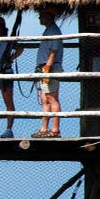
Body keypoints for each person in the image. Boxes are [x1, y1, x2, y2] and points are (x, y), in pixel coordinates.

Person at [33, 7, 64, 138]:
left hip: (49, 67)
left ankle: (55, 129)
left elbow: (53, 51)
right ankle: (44, 129)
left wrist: (47, 68)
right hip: (45, 67)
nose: (39, 18)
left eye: (42, 16)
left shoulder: (53, 31)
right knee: (45, 99)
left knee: (52, 98)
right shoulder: (49, 30)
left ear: (48, 16)